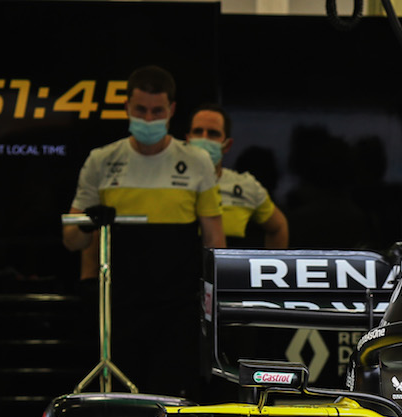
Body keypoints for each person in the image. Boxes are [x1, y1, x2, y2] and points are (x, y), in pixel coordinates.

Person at [63, 65, 224, 398]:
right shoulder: (101, 160)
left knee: (173, 404)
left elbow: (214, 242)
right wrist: (90, 221)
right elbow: (72, 239)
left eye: (156, 111)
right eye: (141, 110)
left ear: (171, 111)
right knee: (124, 407)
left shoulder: (196, 162)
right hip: (120, 309)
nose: (148, 119)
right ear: (127, 108)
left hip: (177, 311)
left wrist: (212, 306)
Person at [186, 104, 289, 248]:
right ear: (188, 140)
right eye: (198, 131)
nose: (204, 139)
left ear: (227, 145)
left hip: (226, 269)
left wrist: (272, 267)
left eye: (213, 133)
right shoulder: (167, 181)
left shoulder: (246, 186)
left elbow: (278, 227)